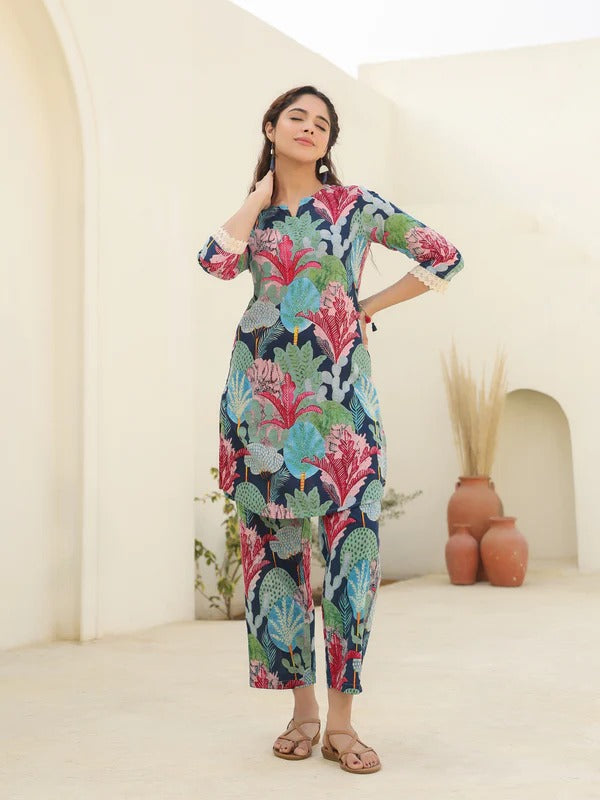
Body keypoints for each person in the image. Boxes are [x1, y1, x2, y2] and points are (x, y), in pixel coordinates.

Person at [197, 84, 464, 774]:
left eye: (322, 122)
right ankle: (302, 713)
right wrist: (256, 197)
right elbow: (214, 262)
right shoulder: (255, 219)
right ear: (271, 127)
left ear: (329, 141)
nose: (310, 128)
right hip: (263, 414)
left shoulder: (355, 206)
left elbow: (443, 256)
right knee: (276, 567)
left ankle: (342, 724)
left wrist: (366, 304)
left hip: (346, 418)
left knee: (352, 566)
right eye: (297, 117)